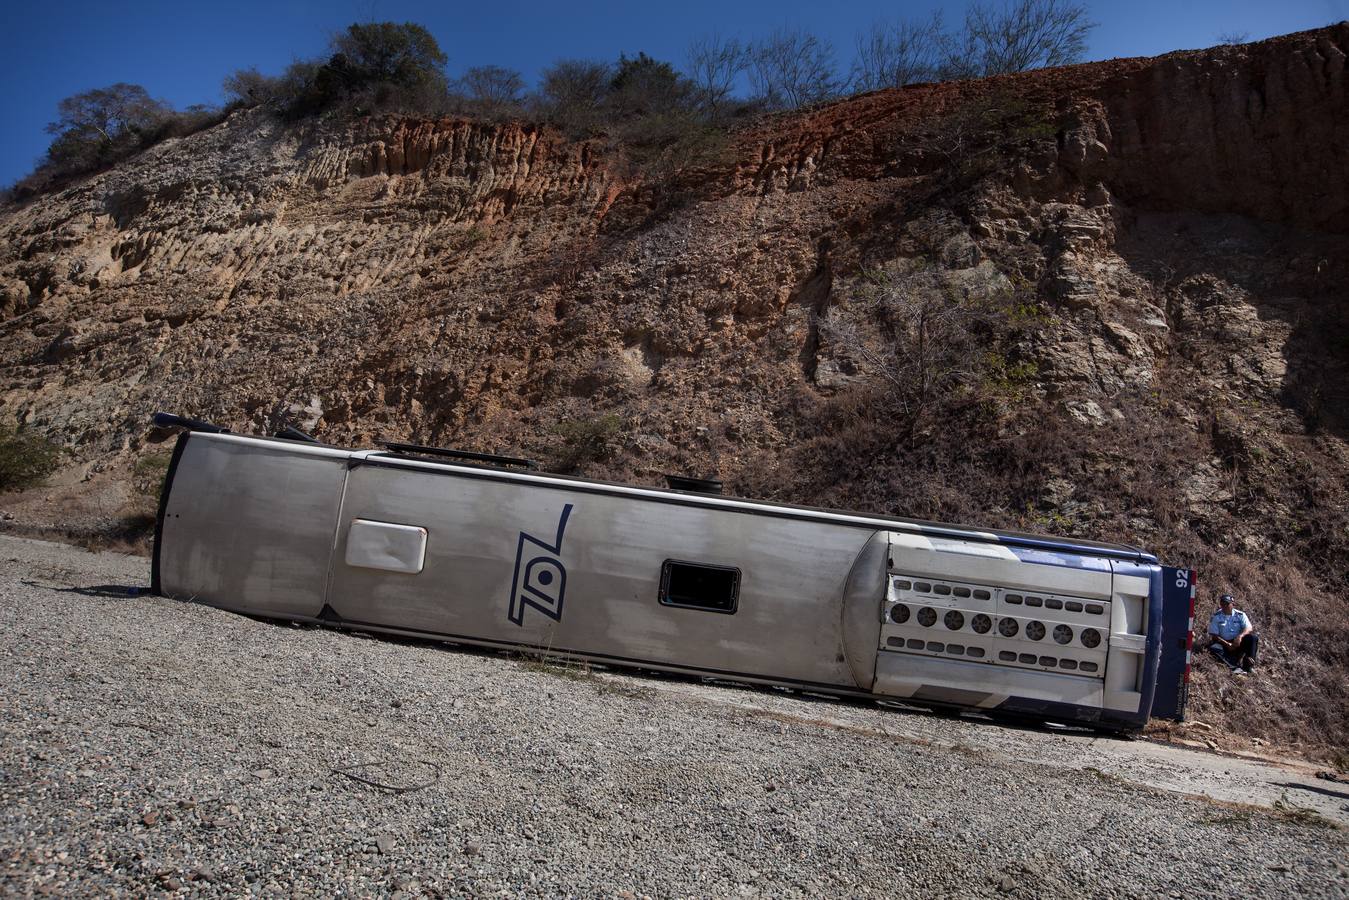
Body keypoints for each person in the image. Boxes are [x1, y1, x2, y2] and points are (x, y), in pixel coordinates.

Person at [1207, 594, 1259, 676]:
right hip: (1223, 643)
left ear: (1233, 604)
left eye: (1227, 604)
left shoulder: (1240, 615)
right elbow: (1214, 635)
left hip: (1237, 642)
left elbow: (1249, 628)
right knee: (1213, 648)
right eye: (1222, 604)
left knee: (1252, 638)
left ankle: (1248, 666)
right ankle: (1234, 667)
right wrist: (1227, 644)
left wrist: (1240, 637)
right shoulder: (1216, 616)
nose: (1224, 606)